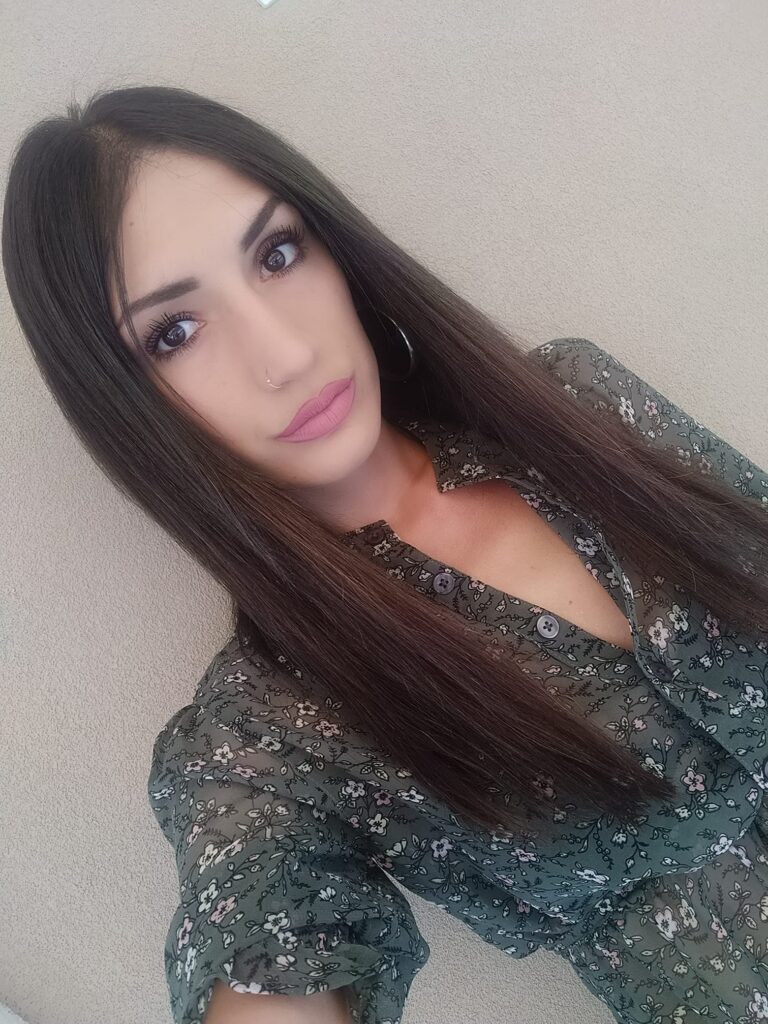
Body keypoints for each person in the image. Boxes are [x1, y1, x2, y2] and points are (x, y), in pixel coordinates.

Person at [3, 84, 768, 1024]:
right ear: (123, 402)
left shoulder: (577, 400)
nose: (285, 352)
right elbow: (268, 919)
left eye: (277, 254)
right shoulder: (267, 735)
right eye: (175, 333)